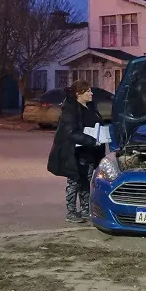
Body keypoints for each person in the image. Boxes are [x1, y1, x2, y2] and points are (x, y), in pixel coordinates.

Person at [47, 80, 105, 223]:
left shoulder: (91, 107)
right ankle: (71, 212)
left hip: (89, 151)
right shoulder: (71, 109)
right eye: (88, 91)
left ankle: (85, 210)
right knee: (74, 181)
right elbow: (70, 132)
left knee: (86, 181)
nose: (91, 93)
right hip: (73, 152)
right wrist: (91, 140)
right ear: (79, 93)